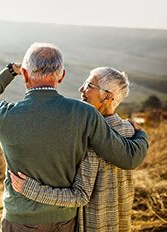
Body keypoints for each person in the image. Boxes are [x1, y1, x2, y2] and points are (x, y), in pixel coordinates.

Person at [0, 42, 149, 231]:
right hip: (65, 221)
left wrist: (9, 72)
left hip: (20, 219)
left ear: (24, 74)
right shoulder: (85, 113)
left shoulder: (4, 115)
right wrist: (141, 135)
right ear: (62, 76)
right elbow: (128, 158)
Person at [10, 67, 140, 231]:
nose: (81, 89)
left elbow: (80, 196)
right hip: (121, 224)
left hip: (94, 226)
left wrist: (31, 190)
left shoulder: (89, 137)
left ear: (107, 96)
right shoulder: (131, 130)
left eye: (89, 85)